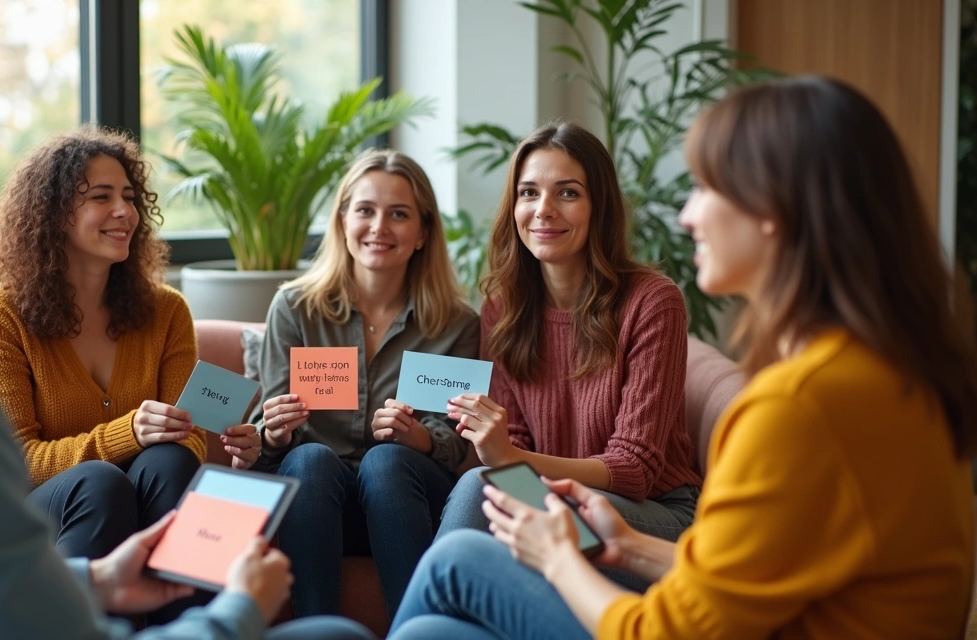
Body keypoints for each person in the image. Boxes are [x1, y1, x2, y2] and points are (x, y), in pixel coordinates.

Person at [0, 3, 371, 639]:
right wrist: (238, 612)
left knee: (159, 465)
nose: (124, 213)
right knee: (332, 633)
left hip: (103, 551)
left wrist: (98, 581)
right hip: (74, 504)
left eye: (129, 197)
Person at [390, 76, 977, 639]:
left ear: (779, 209)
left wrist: (560, 555)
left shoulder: (797, 407)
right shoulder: (888, 377)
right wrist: (625, 545)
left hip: (654, 526)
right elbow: (747, 577)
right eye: (529, 192)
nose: (687, 214)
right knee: (432, 628)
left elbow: (668, 624)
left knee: (461, 553)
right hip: (635, 538)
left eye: (706, 187)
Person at [0, 127, 255, 566]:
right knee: (99, 481)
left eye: (129, 197)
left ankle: (187, 629)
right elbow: (14, 464)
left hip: (150, 493)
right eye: (101, 197)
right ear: (53, 212)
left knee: (171, 459)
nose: (124, 211)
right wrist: (127, 433)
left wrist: (221, 440)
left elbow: (192, 434)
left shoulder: (167, 311)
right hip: (46, 509)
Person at [437, 123, 702, 562]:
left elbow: (633, 470)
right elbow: (515, 436)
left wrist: (507, 458)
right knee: (478, 491)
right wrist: (497, 448)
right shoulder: (504, 307)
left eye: (568, 193)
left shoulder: (653, 302)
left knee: (480, 490)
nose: (543, 210)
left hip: (649, 517)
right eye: (528, 193)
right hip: (548, 496)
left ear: (599, 207)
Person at [245, 149, 479, 619]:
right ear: (343, 222)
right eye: (365, 210)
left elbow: (454, 445)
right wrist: (274, 430)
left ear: (422, 233)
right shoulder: (294, 308)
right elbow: (264, 438)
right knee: (309, 458)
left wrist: (419, 438)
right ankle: (317, 632)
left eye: (399, 214)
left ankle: (417, 630)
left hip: (404, 501)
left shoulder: (457, 324)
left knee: (387, 461)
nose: (379, 227)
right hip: (312, 499)